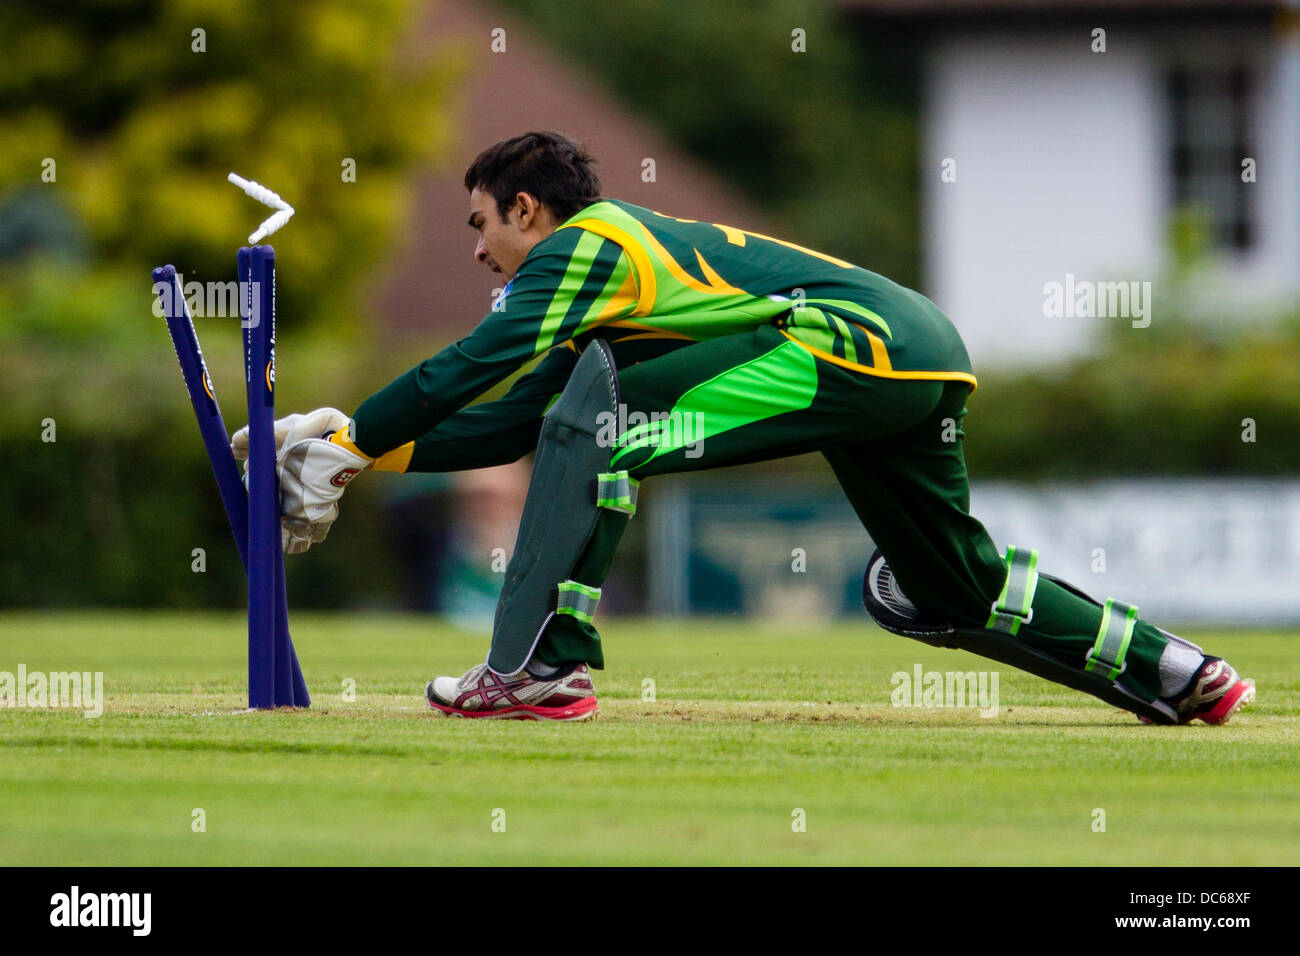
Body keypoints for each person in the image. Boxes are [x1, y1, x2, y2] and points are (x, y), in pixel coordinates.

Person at [243, 130, 1255, 726]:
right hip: (917, 350)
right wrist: (360, 444)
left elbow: (474, 366)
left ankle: (539, 668)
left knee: (607, 428)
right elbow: (508, 415)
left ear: (524, 207)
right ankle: (1176, 671)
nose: (476, 254)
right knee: (943, 587)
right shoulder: (605, 280)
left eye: (479, 226)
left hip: (848, 342)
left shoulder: (585, 243)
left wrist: (348, 447)